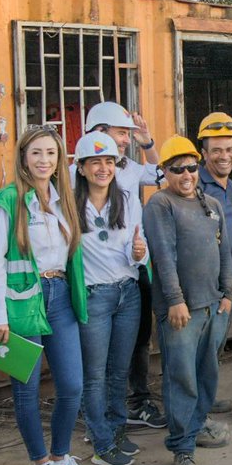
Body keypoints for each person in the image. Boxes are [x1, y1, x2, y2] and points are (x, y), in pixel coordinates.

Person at [0, 124, 89, 465]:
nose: (44, 160)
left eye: (51, 153)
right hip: (22, 299)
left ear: (59, 159)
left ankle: (61, 456)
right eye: (36, 153)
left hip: (59, 295)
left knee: (72, 384)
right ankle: (40, 464)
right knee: (26, 389)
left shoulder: (63, 200)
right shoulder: (8, 200)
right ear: (24, 159)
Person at [144, 136, 232, 465]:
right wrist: (175, 300)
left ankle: (197, 425)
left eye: (191, 167)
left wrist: (227, 293)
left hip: (213, 305)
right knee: (181, 376)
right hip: (181, 310)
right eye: (176, 168)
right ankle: (182, 448)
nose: (185, 174)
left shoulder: (209, 203)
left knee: (207, 371)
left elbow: (224, 250)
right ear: (164, 171)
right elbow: (163, 256)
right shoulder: (160, 204)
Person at [82, 102, 168, 433]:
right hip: (95, 277)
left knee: (136, 341)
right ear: (98, 131)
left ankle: (134, 402)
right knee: (97, 353)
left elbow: (161, 174)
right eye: (122, 134)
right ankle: (98, 414)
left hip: (136, 267)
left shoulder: (131, 166)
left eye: (127, 135)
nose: (125, 141)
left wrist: (147, 142)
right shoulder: (81, 172)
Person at [72, 132, 148, 465]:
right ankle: (101, 441)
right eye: (95, 162)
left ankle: (117, 431)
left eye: (109, 162)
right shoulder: (69, 205)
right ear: (82, 168)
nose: (103, 168)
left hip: (127, 293)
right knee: (95, 375)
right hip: (94, 296)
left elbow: (138, 239)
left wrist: (138, 253)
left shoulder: (128, 198)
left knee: (119, 371)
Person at [198, 111, 232, 415]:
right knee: (199, 346)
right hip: (201, 280)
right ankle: (197, 405)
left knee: (215, 343)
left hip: (227, 279)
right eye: (216, 150)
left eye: (229, 150)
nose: (224, 156)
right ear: (204, 153)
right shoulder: (194, 185)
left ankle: (206, 399)